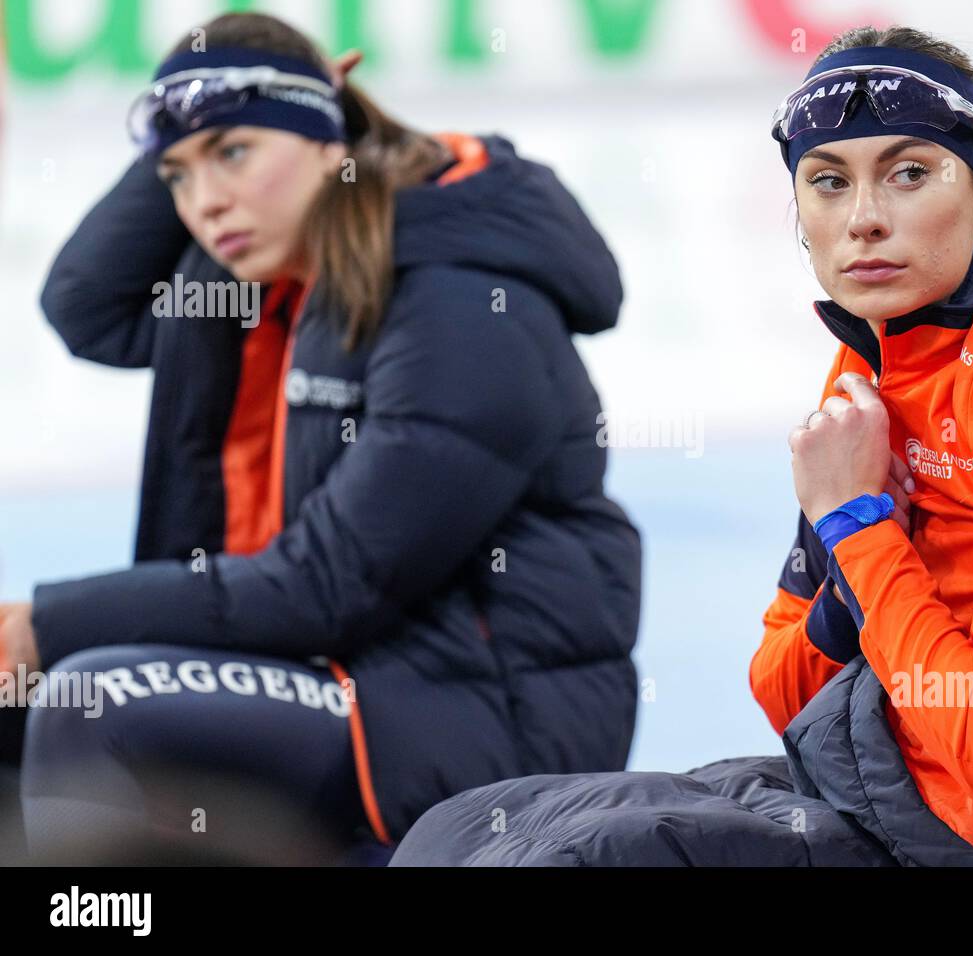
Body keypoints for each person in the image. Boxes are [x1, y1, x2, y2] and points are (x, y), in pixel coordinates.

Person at [389, 24, 973, 868]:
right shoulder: (877, 356)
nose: (865, 219)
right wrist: (855, 566)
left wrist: (859, 528)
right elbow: (784, 686)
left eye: (910, 174)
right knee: (468, 829)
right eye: (829, 181)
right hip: (903, 792)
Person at [0, 11, 641, 864]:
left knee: (91, 694)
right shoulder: (260, 284)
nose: (205, 203)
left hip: (478, 721)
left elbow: (330, 585)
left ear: (325, 139)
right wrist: (194, 131)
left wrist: (52, 620)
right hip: (328, 673)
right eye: (178, 177)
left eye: (234, 154)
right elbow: (86, 303)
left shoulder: (465, 304)